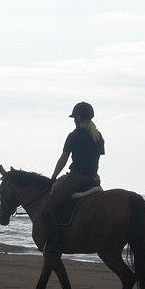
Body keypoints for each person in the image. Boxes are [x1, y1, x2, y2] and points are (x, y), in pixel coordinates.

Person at [42, 101, 105, 259]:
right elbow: (96, 159)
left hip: (76, 177)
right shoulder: (98, 136)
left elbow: (63, 159)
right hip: (93, 180)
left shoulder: (74, 136)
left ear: (77, 118)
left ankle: (54, 244)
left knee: (47, 208)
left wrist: (54, 177)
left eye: (74, 118)